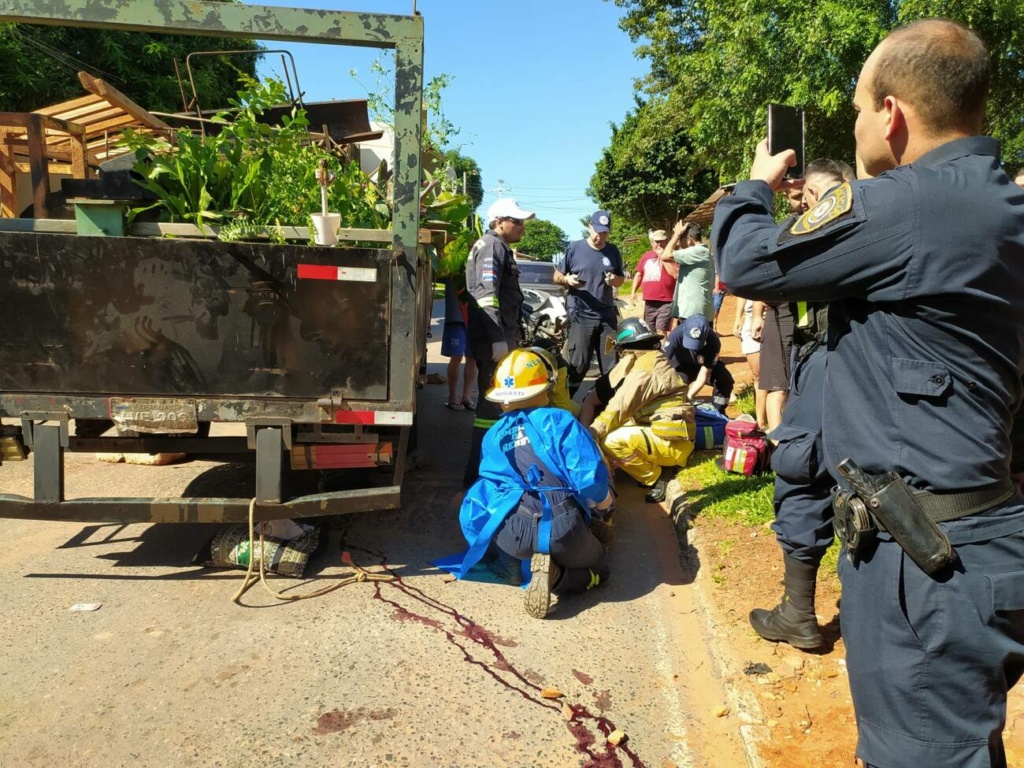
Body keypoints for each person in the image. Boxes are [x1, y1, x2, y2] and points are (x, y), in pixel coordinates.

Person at [713, 19, 1024, 767]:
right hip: (972, 536)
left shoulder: (908, 205)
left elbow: (747, 261)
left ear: (891, 114)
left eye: (857, 109)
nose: (856, 126)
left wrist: (755, 185)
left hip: (924, 561)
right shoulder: (1000, 207)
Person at [746, 158, 849, 651]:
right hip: (863, 366)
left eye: (810, 198)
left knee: (802, 470)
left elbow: (749, 264)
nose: (805, 206)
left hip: (832, 364)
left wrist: (757, 189)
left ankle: (799, 614)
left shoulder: (837, 224)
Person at [446, 349, 614, 619]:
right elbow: (589, 478)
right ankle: (557, 578)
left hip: (513, 531)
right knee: (600, 569)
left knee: (514, 526)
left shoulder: (493, 435)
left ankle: (513, 564)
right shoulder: (561, 421)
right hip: (563, 526)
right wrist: (605, 503)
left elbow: (489, 488)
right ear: (548, 384)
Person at [463, 197, 535, 486]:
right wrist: (497, 340)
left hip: (500, 336)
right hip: (495, 340)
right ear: (499, 222)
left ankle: (485, 472)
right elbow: (486, 295)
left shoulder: (498, 246)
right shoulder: (493, 246)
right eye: (516, 221)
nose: (521, 227)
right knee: (493, 406)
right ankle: (480, 474)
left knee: (497, 405)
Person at [585, 318, 696, 503]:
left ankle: (656, 476)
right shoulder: (652, 360)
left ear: (630, 349)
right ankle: (659, 464)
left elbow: (618, 408)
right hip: (672, 438)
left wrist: (591, 434)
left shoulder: (644, 370)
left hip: (674, 446)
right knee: (616, 429)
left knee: (610, 441)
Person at [554, 211, 626, 394]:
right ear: (589, 227)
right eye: (597, 231)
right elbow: (557, 275)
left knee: (611, 366)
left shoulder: (612, 251)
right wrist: (567, 280)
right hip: (580, 315)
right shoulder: (574, 248)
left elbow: (620, 279)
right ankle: (567, 404)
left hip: (606, 316)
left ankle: (607, 406)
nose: (600, 236)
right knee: (578, 364)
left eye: (605, 233)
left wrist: (613, 280)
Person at [661, 316, 734, 415]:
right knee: (673, 385)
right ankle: (672, 413)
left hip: (703, 367)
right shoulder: (675, 336)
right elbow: (663, 364)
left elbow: (704, 374)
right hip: (683, 367)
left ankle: (718, 413)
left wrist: (690, 396)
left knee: (725, 379)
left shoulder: (714, 341)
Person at [661, 221, 714, 327]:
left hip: (693, 315)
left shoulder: (697, 252)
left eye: (681, 239)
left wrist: (677, 234)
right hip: (694, 313)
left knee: (690, 343)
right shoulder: (700, 253)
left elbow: (665, 255)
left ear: (689, 240)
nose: (679, 243)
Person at [630, 229, 677, 335]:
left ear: (667, 241)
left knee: (661, 330)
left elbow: (675, 274)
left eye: (662, 241)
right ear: (652, 243)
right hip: (649, 302)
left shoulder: (673, 256)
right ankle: (655, 351)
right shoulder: (646, 256)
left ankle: (663, 351)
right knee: (649, 331)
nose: (659, 244)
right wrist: (633, 292)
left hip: (666, 301)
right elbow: (639, 274)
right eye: (656, 241)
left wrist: (663, 256)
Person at [440, 278, 477, 411]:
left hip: (475, 317)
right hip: (456, 316)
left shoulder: (478, 263)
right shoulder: (453, 265)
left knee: (472, 358)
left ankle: (466, 397)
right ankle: (452, 397)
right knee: (456, 356)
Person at [732, 297, 767, 429]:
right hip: (751, 320)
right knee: (759, 375)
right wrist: (738, 317)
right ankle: (761, 422)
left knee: (775, 377)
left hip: (774, 319)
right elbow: (742, 291)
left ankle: (772, 418)